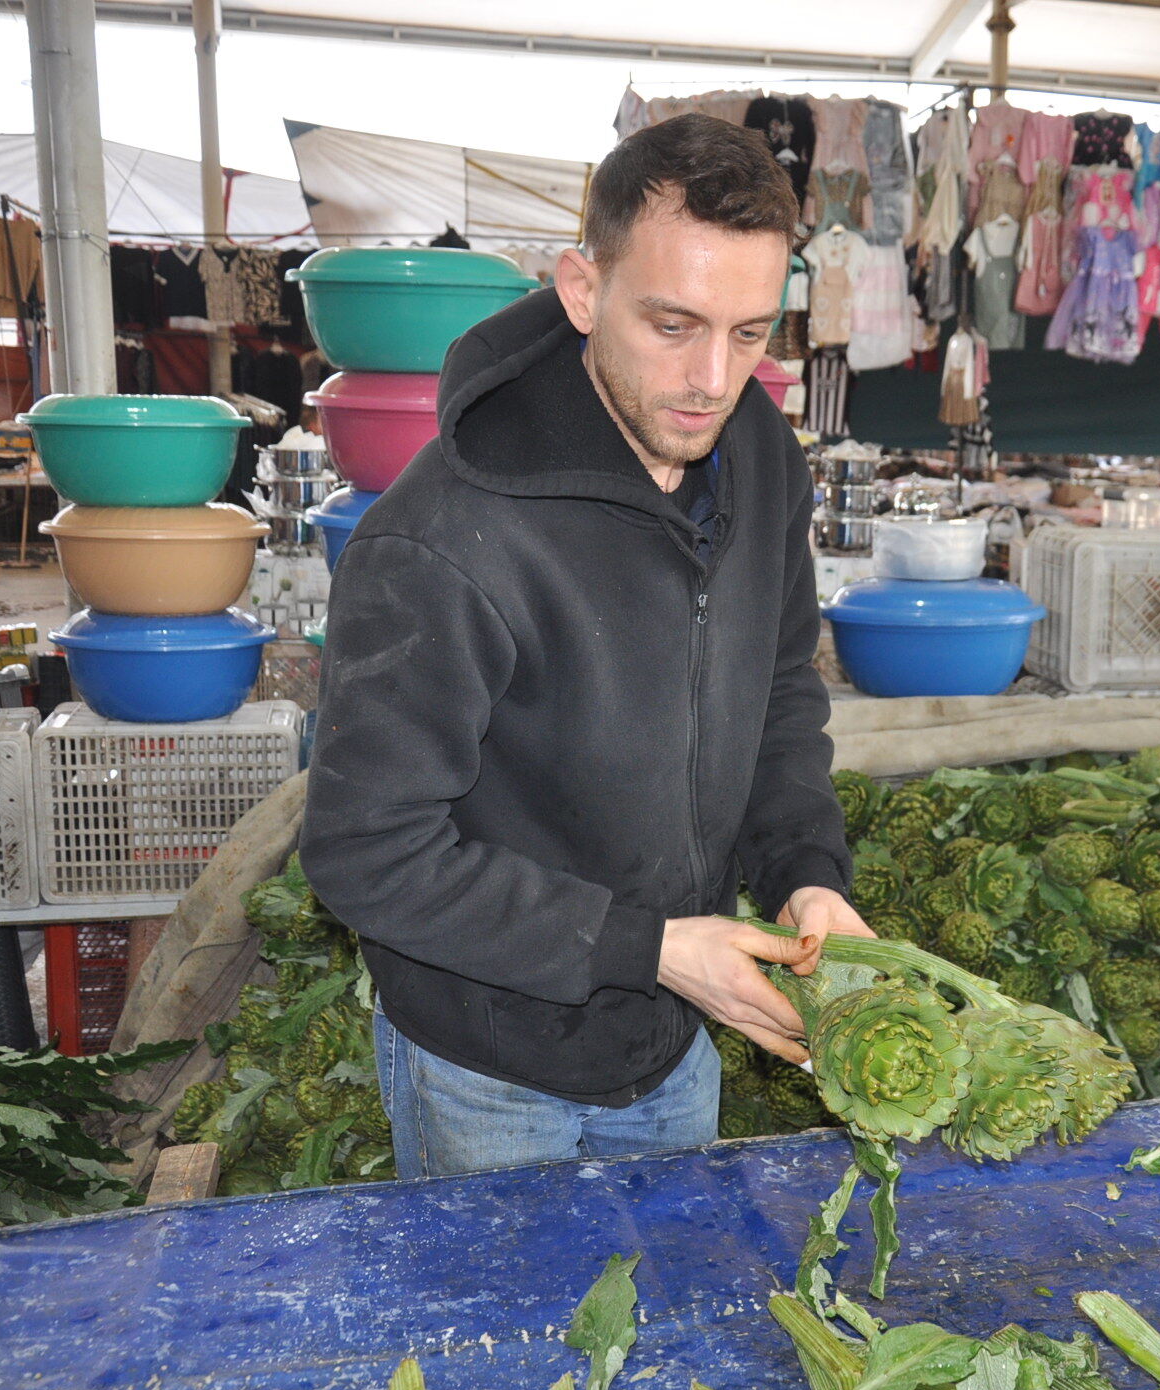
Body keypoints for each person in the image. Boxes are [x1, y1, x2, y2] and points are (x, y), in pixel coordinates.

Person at [301, 114, 868, 1178]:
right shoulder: (442, 538)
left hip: (672, 1039)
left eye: (749, 333)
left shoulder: (757, 458)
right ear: (580, 289)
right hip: (492, 1059)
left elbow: (779, 686)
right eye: (671, 323)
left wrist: (803, 876)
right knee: (512, 1336)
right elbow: (363, 850)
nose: (711, 377)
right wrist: (652, 947)